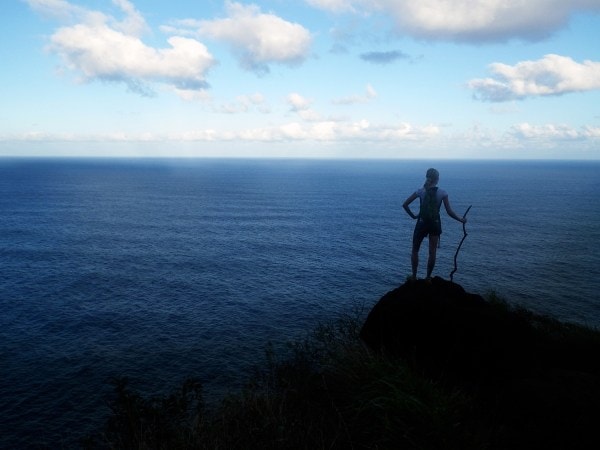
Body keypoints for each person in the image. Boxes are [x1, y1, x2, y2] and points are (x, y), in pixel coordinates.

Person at [402, 168, 466, 281]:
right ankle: (428, 277)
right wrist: (461, 219)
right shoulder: (442, 193)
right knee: (432, 252)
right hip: (435, 224)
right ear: (437, 179)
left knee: (415, 250)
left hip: (421, 223)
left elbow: (405, 204)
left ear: (427, 177)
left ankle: (414, 276)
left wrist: (413, 216)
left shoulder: (420, 191)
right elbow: (449, 212)